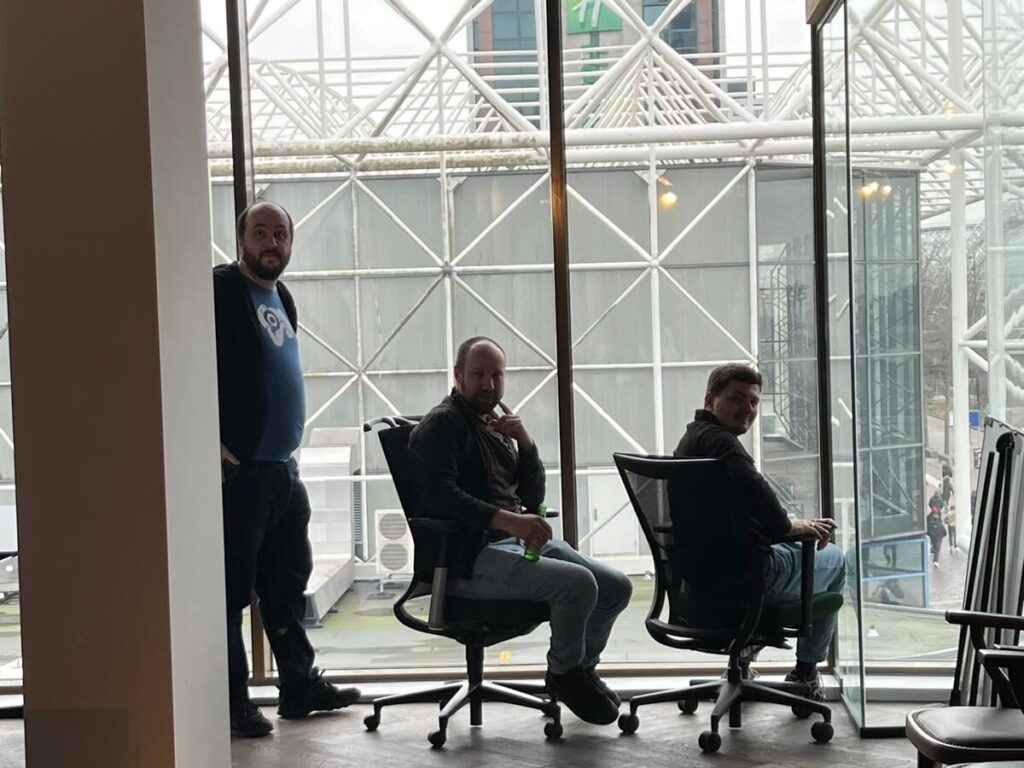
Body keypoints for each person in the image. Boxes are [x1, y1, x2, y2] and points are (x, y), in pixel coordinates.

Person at [409, 336, 632, 726]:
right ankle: (563, 675)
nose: (489, 385)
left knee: (615, 587)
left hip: (514, 544)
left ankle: (580, 667)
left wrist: (524, 442)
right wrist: (507, 519)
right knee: (578, 585)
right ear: (458, 375)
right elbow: (440, 497)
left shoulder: (493, 423)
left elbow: (532, 495)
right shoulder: (442, 424)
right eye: (478, 375)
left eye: (496, 375)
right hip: (471, 557)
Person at [215, 201, 360, 738]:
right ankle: (232, 703)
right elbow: (189, 364)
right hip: (242, 474)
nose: (271, 242)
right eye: (260, 233)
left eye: (280, 234)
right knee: (230, 593)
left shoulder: (281, 295)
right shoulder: (222, 291)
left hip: (282, 471)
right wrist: (213, 444)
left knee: (286, 584)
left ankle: (298, 686)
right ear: (241, 241)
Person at [673, 363, 845, 701]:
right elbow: (766, 506)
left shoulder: (691, 440)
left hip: (699, 584)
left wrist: (786, 527)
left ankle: (743, 661)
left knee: (794, 547)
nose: (747, 409)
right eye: (737, 398)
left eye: (753, 402)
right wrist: (792, 526)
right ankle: (805, 674)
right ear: (711, 400)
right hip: (748, 580)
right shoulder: (724, 446)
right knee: (836, 559)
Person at [926, 500, 947, 568]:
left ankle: (933, 549)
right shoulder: (939, 522)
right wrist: (943, 535)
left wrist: (929, 533)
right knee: (937, 548)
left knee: (934, 545)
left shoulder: (929, 518)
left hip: (932, 535)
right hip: (938, 536)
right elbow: (944, 531)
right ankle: (936, 561)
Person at [941, 465, 957, 552]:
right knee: (954, 535)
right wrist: (953, 493)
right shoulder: (948, 483)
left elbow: (945, 520)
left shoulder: (943, 483)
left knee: (945, 502)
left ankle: (952, 546)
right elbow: (951, 488)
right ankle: (955, 545)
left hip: (944, 496)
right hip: (947, 495)